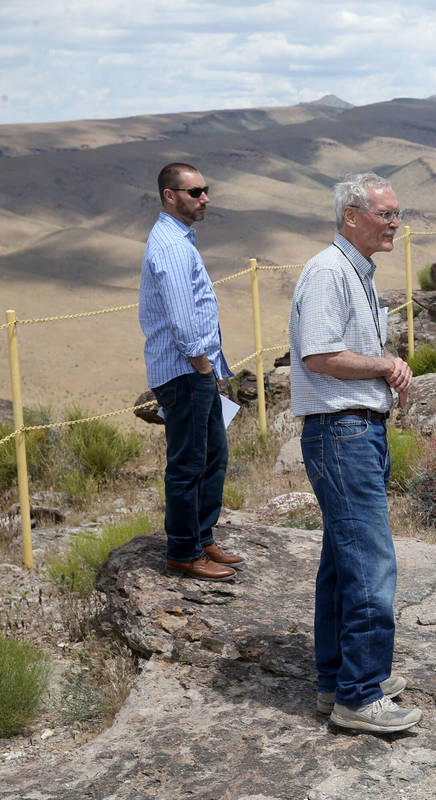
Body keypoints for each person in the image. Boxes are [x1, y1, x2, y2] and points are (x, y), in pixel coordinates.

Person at [289, 172, 420, 734]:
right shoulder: (327, 271)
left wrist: (381, 366)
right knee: (370, 561)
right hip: (341, 431)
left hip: (354, 430)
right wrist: (384, 365)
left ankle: (337, 679)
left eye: (396, 214)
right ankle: (361, 695)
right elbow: (319, 355)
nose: (395, 223)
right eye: (386, 214)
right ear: (351, 215)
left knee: (343, 562)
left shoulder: (355, 272)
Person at [139, 162, 243, 582]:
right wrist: (202, 365)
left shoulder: (179, 240)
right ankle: (183, 551)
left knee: (213, 453)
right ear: (170, 196)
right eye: (195, 192)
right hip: (184, 372)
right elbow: (183, 318)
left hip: (194, 370)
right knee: (188, 463)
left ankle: (202, 537)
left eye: (205, 190)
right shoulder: (170, 246)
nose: (205, 198)